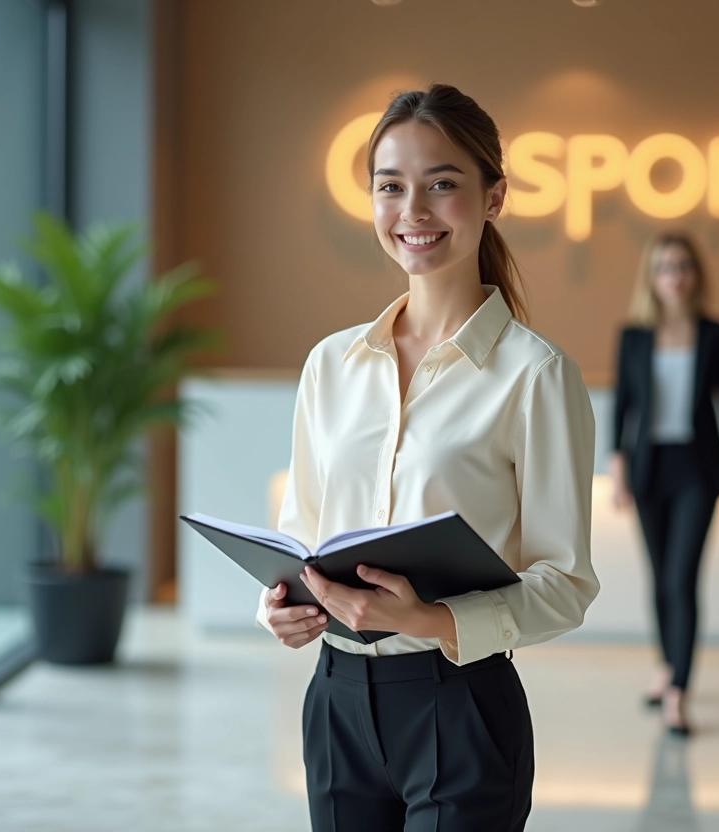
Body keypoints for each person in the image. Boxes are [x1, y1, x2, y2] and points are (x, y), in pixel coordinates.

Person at [255, 84, 599, 831]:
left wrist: (435, 618)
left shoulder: (534, 375)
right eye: (391, 187)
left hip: (461, 704)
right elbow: (301, 535)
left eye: (443, 184)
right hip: (337, 704)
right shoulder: (332, 364)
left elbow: (564, 584)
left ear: (494, 196)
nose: (413, 212)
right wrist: (280, 606)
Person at [609, 234, 719, 736]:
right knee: (658, 580)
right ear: (651, 278)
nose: (674, 276)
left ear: (696, 274)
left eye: (682, 266)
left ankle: (678, 691)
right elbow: (622, 407)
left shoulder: (716, 333)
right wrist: (618, 468)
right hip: (650, 466)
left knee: (681, 579)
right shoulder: (633, 336)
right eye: (664, 268)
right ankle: (665, 665)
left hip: (699, 468)